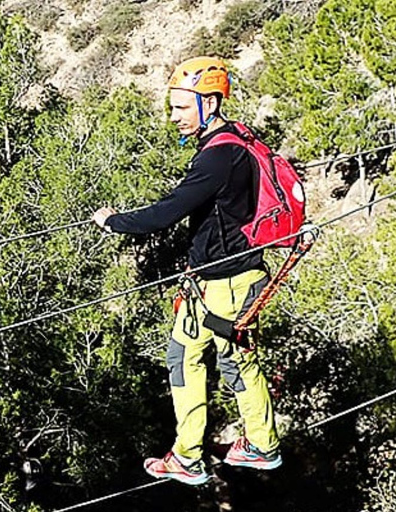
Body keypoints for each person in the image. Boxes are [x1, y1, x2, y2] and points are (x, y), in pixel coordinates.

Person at [92, 57, 282, 485]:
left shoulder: (217, 159)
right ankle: (193, 453)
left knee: (232, 363)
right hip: (222, 278)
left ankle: (254, 446)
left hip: (228, 281)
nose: (173, 117)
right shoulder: (234, 140)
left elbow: (166, 213)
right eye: (172, 107)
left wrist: (114, 221)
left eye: (181, 107)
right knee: (188, 356)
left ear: (210, 103)